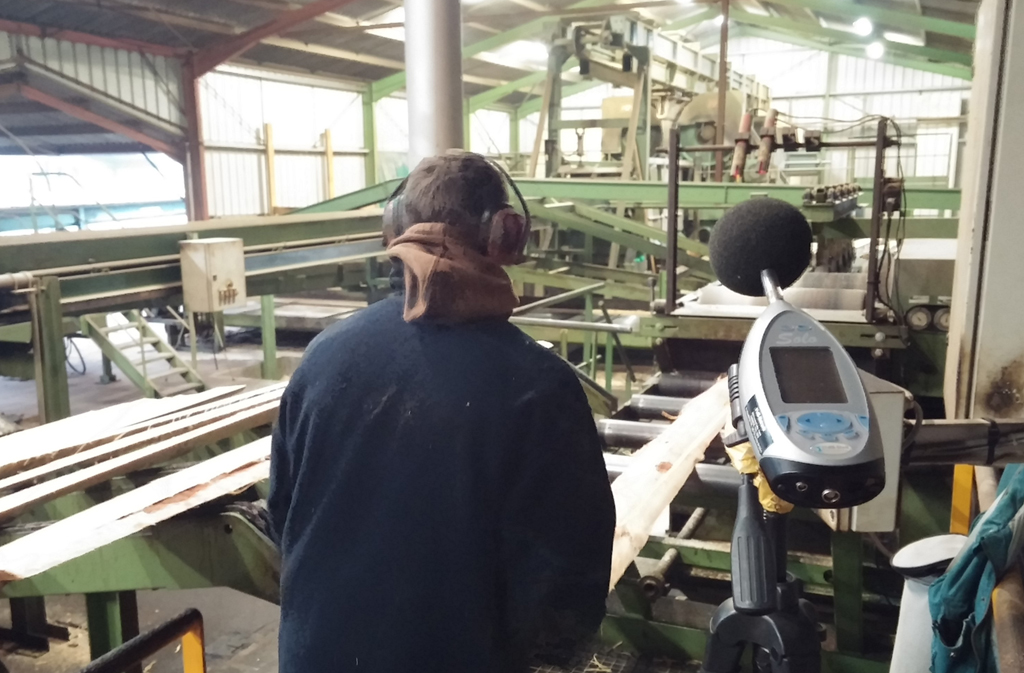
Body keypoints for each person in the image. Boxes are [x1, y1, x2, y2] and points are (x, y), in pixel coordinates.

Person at [268, 151, 616, 673]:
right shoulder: (540, 387)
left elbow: (282, 514)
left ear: (394, 228)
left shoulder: (323, 356)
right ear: (504, 234)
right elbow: (568, 585)